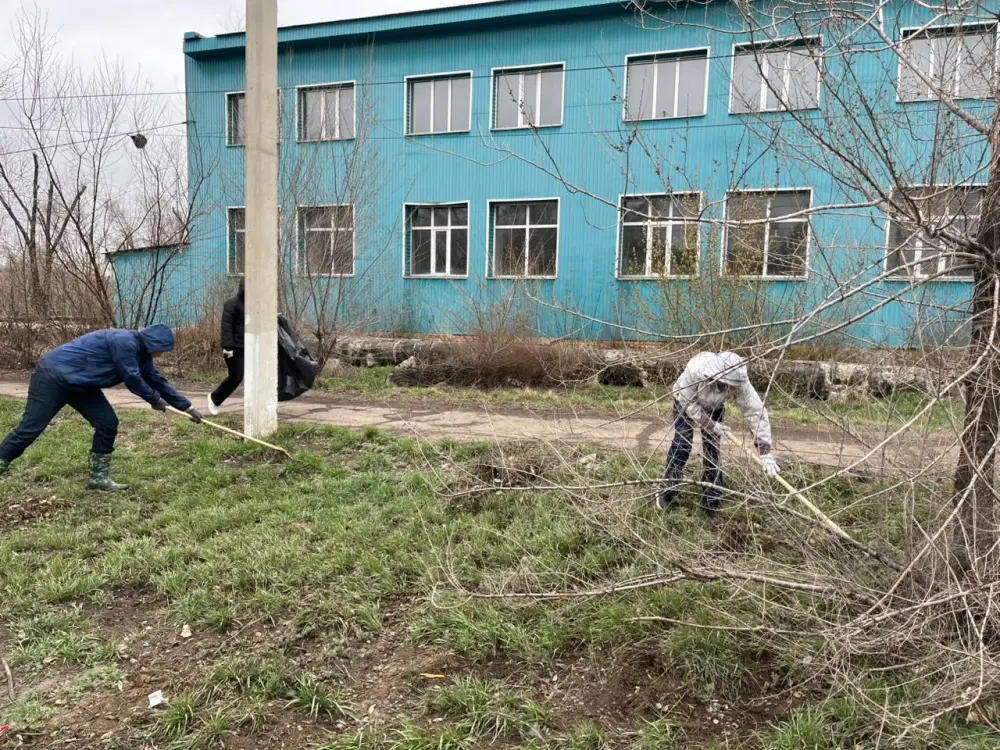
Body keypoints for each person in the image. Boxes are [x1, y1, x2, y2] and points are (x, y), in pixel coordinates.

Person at [0, 324, 202, 491]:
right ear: (152, 344)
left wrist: (186, 407)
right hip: (53, 377)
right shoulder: (125, 342)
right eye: (161, 350)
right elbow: (131, 378)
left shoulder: (142, 354)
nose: (160, 355)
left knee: (108, 423)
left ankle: (98, 479)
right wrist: (154, 400)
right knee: (31, 427)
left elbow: (155, 379)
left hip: (81, 384)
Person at [656, 351, 780, 515]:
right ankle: (666, 490)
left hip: (715, 408)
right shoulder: (696, 371)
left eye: (729, 386)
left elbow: (756, 412)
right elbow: (688, 402)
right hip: (685, 403)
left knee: (712, 450)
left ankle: (711, 499)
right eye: (722, 383)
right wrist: (709, 424)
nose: (726, 388)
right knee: (682, 444)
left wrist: (765, 452)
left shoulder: (740, 382)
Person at [207, 279, 244, 416]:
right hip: (234, 348)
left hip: (250, 346)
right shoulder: (231, 304)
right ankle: (214, 398)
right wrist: (228, 346)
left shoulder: (255, 304)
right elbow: (226, 326)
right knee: (236, 377)